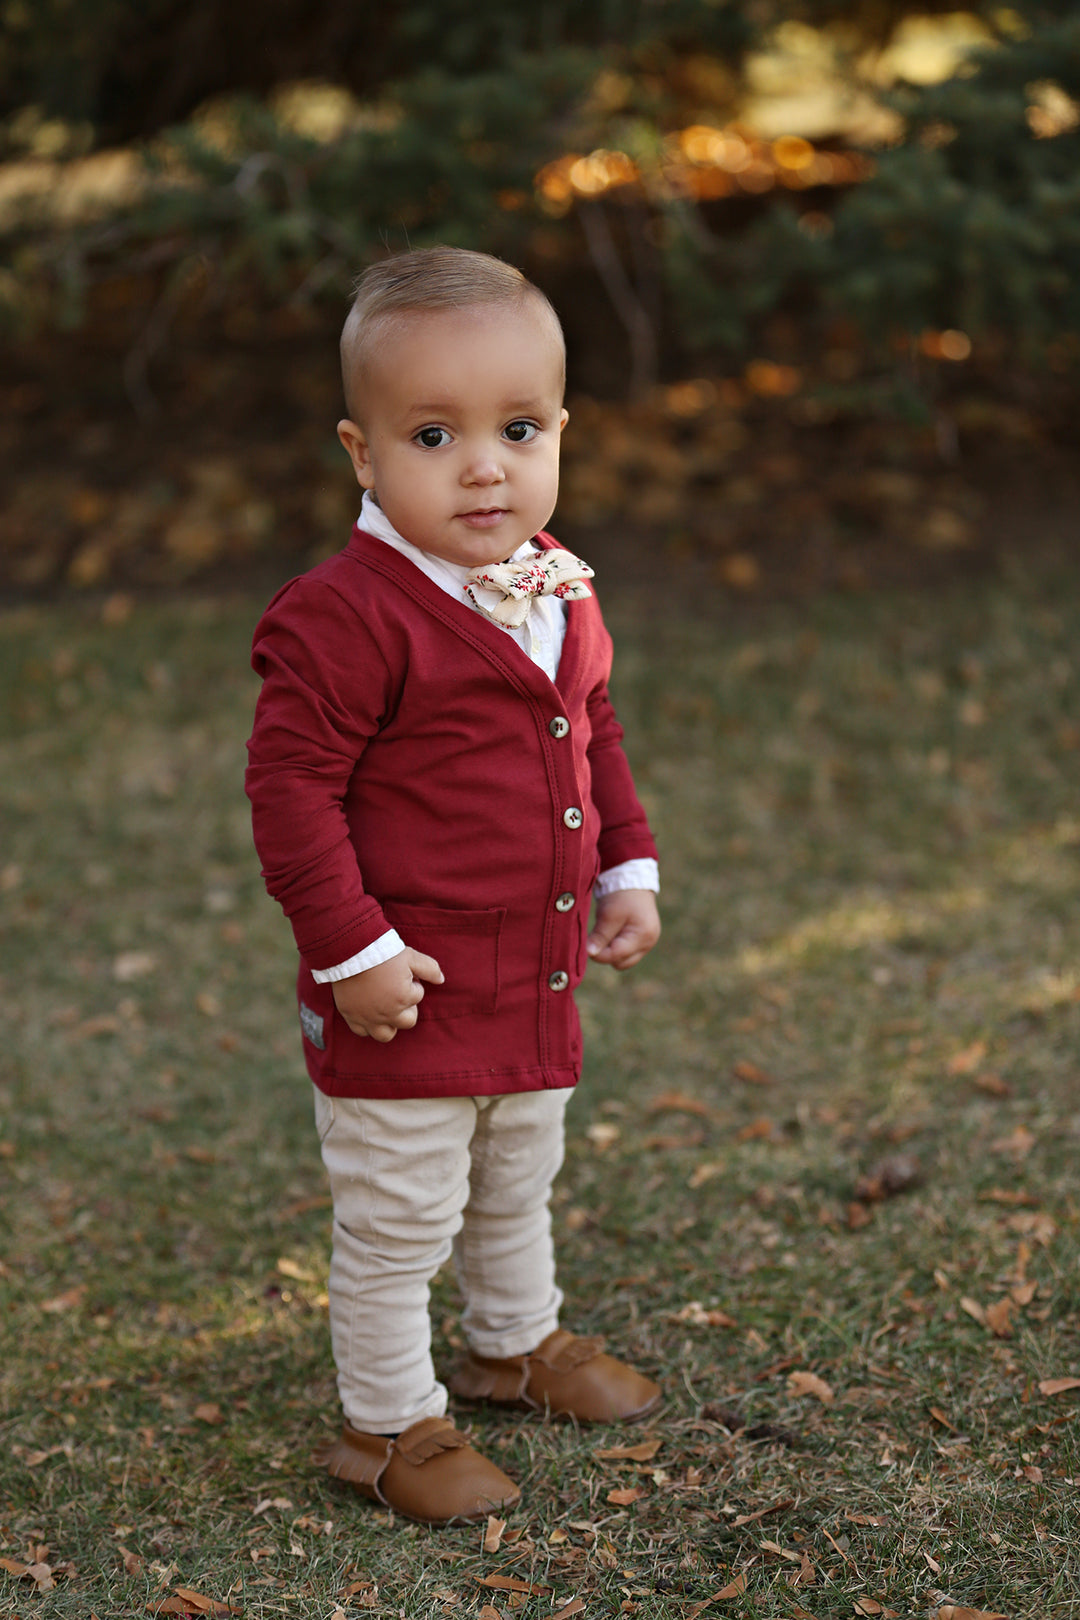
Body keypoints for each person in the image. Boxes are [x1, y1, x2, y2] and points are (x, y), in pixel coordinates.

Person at [245, 246, 662, 1526]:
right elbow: (291, 795)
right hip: (407, 989)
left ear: (559, 433)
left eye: (518, 428)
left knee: (514, 1175)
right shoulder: (342, 617)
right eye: (435, 433)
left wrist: (625, 864)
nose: (486, 463)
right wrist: (348, 950)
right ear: (363, 454)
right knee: (400, 1213)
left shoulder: (554, 586)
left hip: (528, 975)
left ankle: (509, 1345)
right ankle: (386, 1424)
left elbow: (594, 735)